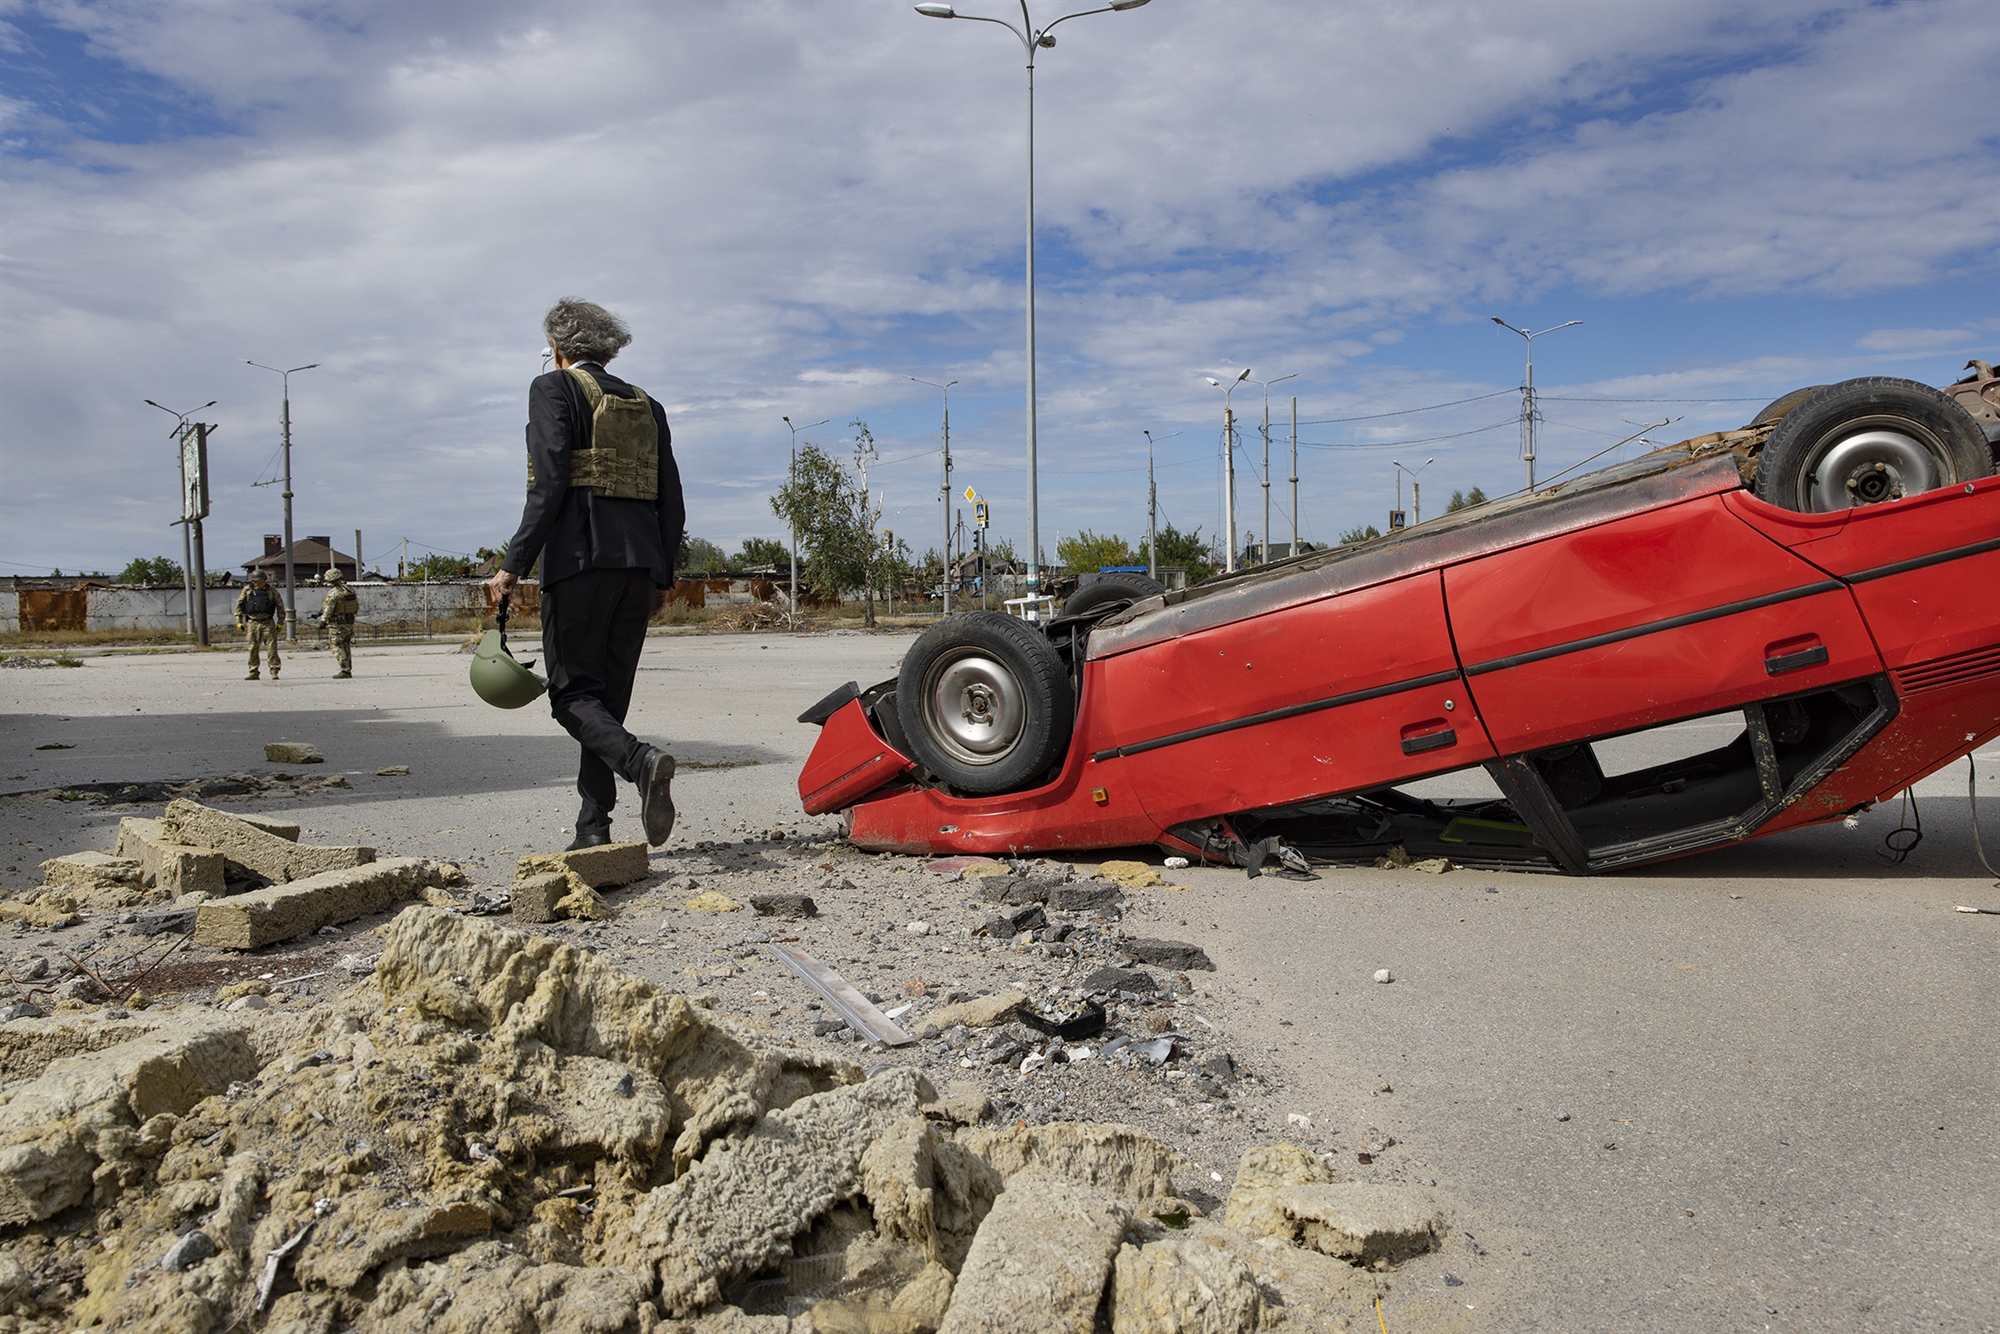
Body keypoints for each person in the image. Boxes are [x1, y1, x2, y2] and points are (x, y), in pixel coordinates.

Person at [488, 298, 684, 850]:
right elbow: (672, 500)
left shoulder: (552, 388)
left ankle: (640, 763)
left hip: (579, 562)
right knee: (607, 701)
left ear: (558, 349)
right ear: (609, 348)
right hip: (640, 566)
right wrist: (664, 575)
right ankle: (592, 827)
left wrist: (512, 565)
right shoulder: (649, 404)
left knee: (572, 696)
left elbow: (547, 485)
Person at [235, 568, 281, 681]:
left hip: (267, 622)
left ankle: (274, 670)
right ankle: (253, 671)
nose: (259, 584)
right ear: (253, 582)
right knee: (252, 648)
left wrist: (280, 622)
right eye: (257, 582)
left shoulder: (271, 591)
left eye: (261, 582)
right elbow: (239, 605)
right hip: (252, 622)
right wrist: (239, 621)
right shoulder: (247, 590)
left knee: (271, 648)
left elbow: (280, 606)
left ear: (265, 581)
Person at [317, 568, 359, 678]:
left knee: (336, 645)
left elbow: (329, 608)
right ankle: (348, 669)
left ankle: (345, 670)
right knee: (346, 646)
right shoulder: (349, 590)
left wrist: (323, 621)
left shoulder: (334, 592)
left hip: (337, 624)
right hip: (348, 622)